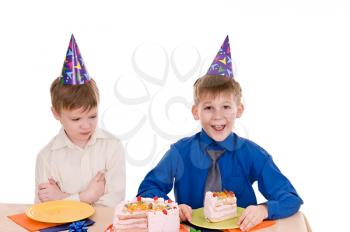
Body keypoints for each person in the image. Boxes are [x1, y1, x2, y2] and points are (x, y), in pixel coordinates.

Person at [137, 36, 303, 231]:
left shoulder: (253, 153)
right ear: (195, 112)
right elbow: (147, 190)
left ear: (239, 110)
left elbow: (290, 197)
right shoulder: (179, 152)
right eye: (208, 108)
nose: (218, 116)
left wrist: (265, 209)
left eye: (226, 106)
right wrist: (172, 207)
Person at [35, 35, 125, 207]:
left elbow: (113, 203)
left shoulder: (112, 147)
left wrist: (62, 197)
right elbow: (45, 209)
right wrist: (86, 196)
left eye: (93, 116)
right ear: (56, 113)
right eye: (76, 119)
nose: (86, 125)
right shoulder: (46, 158)